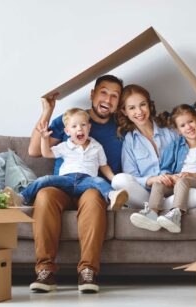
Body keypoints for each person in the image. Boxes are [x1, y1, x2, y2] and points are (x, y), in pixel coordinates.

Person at [27, 74, 124, 294]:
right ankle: (45, 271)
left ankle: (87, 271)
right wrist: (47, 111)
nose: (108, 99)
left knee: (93, 197)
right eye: (103, 92)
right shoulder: (71, 119)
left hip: (90, 186)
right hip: (62, 186)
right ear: (92, 94)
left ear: (118, 102)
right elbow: (35, 151)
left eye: (114, 96)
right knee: (44, 195)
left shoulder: (121, 127)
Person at [112, 84, 196, 231]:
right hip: (146, 192)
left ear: (149, 105)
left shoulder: (170, 131)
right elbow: (131, 176)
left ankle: (156, 211)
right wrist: (154, 179)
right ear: (124, 111)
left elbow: (195, 147)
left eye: (143, 105)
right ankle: (158, 209)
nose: (139, 111)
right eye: (132, 108)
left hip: (176, 187)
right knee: (118, 180)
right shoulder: (129, 141)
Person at [6, 108, 128, 210]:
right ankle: (21, 197)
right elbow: (47, 153)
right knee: (45, 179)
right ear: (67, 131)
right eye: (74, 126)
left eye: (83, 125)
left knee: (99, 181)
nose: (79, 129)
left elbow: (103, 166)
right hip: (66, 180)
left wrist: (114, 178)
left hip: (86, 181)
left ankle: (113, 196)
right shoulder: (65, 146)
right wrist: (44, 139)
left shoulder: (96, 146)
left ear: (89, 128)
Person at [136, 103, 196, 234]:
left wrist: (193, 175)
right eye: (183, 125)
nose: (188, 127)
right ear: (178, 131)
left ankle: (175, 215)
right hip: (178, 180)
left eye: (191, 121)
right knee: (159, 182)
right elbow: (165, 167)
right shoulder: (174, 146)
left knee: (183, 180)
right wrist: (169, 176)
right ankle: (152, 214)